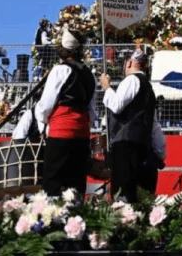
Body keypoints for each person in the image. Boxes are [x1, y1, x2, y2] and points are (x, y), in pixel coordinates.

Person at [35, 28, 96, 196]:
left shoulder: (59, 70)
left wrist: (42, 124)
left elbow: (46, 105)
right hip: (82, 134)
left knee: (53, 184)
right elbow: (91, 110)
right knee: (76, 186)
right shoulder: (90, 75)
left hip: (61, 132)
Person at [100, 48, 164, 202]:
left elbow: (116, 105)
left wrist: (107, 87)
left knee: (124, 194)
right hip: (143, 146)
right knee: (139, 196)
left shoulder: (131, 80)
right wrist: (160, 152)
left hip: (125, 146)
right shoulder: (149, 89)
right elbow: (154, 125)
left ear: (129, 62)